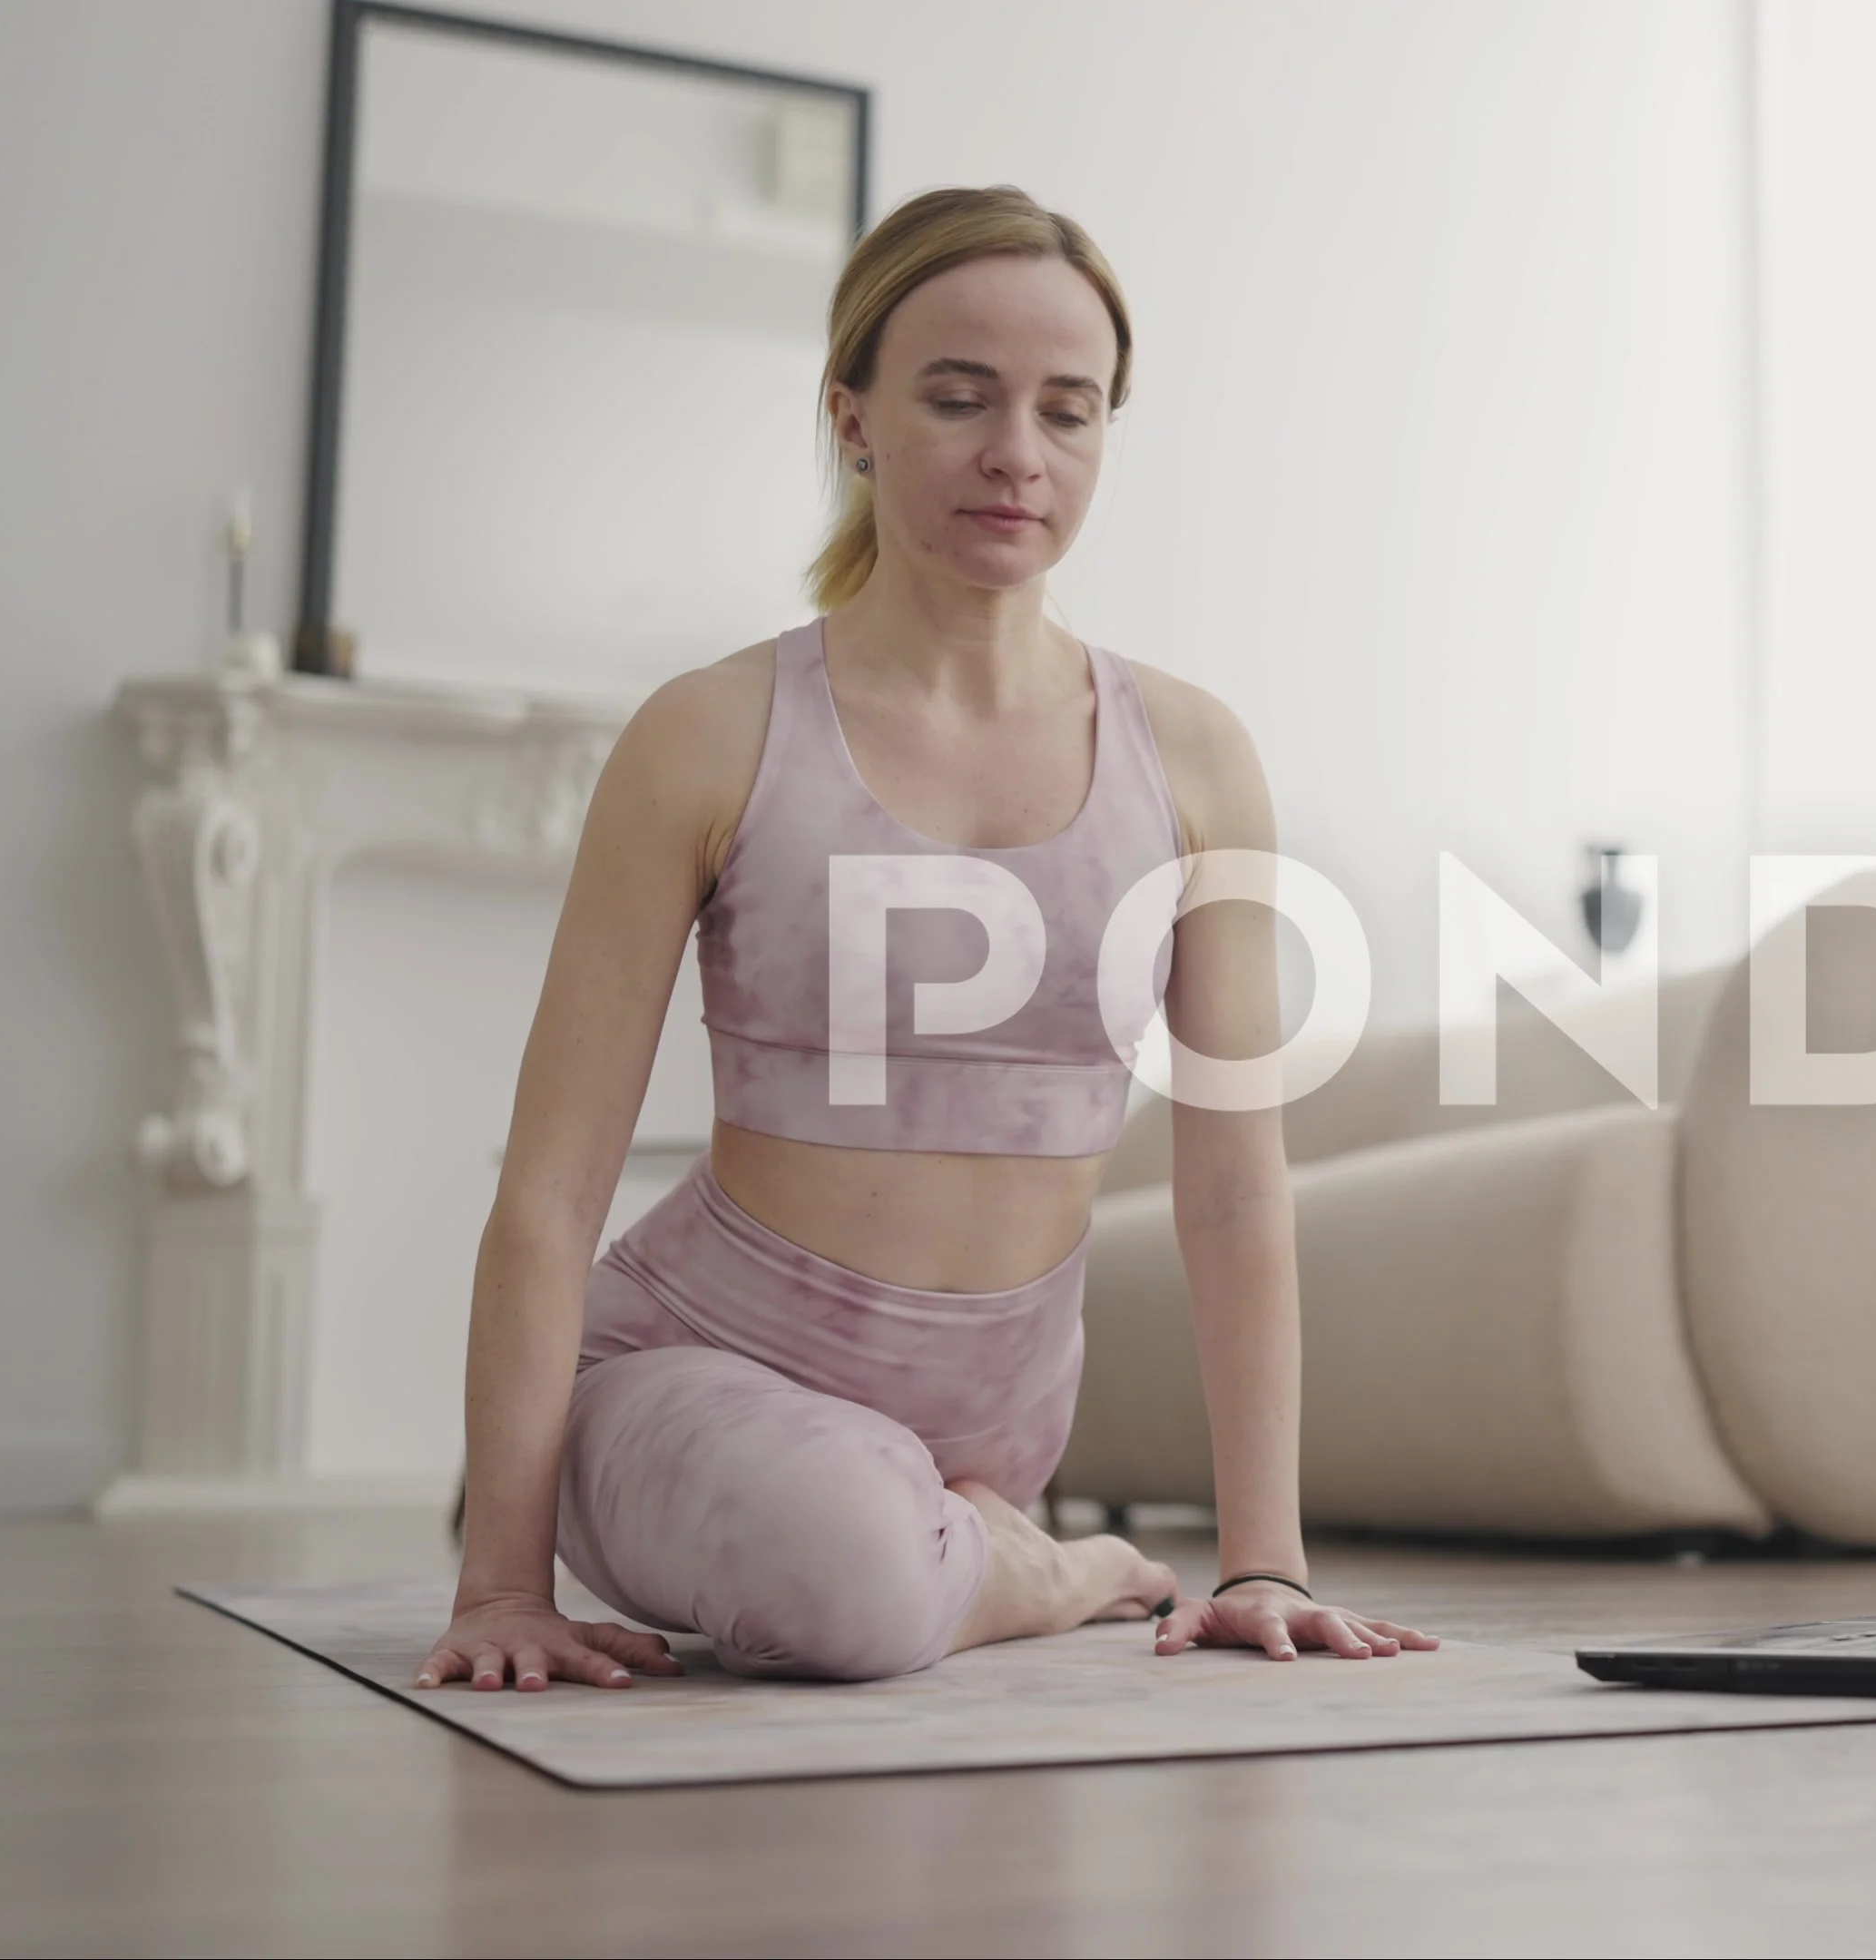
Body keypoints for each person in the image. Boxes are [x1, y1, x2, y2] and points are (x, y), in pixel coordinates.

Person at [417, 186, 1434, 1690]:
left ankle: (955, 1549)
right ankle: (1022, 1573)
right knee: (847, 1570)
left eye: (1067, 412)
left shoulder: (1196, 757)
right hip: (680, 1380)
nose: (1017, 453)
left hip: (991, 1423)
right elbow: (554, 1188)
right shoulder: (708, 736)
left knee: (868, 1559)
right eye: (959, 398)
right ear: (854, 417)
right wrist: (501, 1588)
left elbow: (1231, 1187)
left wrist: (1263, 1560)